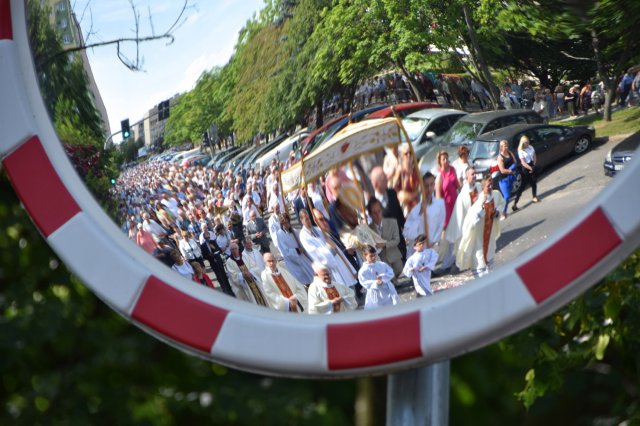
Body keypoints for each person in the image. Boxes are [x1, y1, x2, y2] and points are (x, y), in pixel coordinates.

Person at [456, 175, 505, 277]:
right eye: (488, 185)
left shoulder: (495, 195)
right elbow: (469, 223)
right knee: (479, 264)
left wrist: (497, 213)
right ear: (483, 187)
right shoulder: (478, 204)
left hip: (490, 237)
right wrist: (481, 210)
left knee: (491, 264)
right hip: (479, 240)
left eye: (491, 184)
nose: (490, 187)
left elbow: (501, 203)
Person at [299, 209, 359, 290]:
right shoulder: (303, 236)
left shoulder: (317, 229)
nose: (308, 221)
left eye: (309, 218)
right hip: (328, 264)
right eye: (306, 219)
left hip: (336, 258)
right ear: (301, 220)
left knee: (348, 282)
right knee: (340, 287)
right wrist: (328, 250)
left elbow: (330, 241)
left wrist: (326, 234)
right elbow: (314, 251)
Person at [403, 172, 446, 258]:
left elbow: (440, 225)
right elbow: (407, 234)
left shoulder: (440, 204)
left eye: (431, 185)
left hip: (430, 250)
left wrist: (432, 242)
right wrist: (420, 213)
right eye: (426, 186)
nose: (429, 189)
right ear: (422, 187)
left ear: (434, 185)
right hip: (415, 255)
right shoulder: (415, 210)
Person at [445, 167, 481, 256]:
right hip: (469, 225)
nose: (475, 176)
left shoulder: (479, 186)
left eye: (475, 174)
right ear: (466, 176)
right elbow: (460, 215)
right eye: (472, 174)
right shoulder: (463, 195)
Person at [367, 198, 403, 278]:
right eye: (374, 213)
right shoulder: (368, 229)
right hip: (382, 259)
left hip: (394, 256)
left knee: (400, 270)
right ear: (370, 214)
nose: (377, 215)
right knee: (389, 278)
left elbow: (396, 240)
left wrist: (384, 244)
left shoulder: (392, 222)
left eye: (379, 211)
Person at [276, 213, 315, 286]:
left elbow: (301, 243)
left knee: (312, 274)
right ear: (281, 224)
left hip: (302, 257)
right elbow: (285, 251)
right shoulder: (280, 234)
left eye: (287, 222)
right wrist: (297, 250)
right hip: (292, 261)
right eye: (284, 223)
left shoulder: (294, 231)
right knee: (302, 281)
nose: (286, 224)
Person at [512, 135, 539, 211]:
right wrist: (530, 168)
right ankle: (515, 203)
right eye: (526, 143)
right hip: (525, 169)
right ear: (522, 143)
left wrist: (534, 164)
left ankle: (534, 197)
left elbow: (534, 155)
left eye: (528, 142)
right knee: (522, 186)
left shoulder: (530, 147)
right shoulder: (520, 151)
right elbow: (523, 163)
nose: (527, 144)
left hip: (531, 165)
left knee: (534, 182)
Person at [435, 150, 461, 229]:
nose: (446, 161)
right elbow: (438, 195)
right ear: (440, 161)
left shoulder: (452, 169)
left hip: (455, 202)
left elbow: (457, 184)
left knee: (457, 225)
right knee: (446, 227)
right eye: (443, 159)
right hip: (446, 205)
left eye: (447, 158)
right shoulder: (439, 175)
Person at [496, 139, 518, 220]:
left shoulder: (510, 153)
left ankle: (501, 210)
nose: (506, 147)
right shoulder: (500, 158)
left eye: (507, 145)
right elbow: (502, 170)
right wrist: (510, 171)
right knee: (507, 196)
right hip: (503, 179)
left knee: (508, 195)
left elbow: (515, 161)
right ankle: (503, 213)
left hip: (511, 177)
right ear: (501, 147)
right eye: (505, 146)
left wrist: (513, 167)